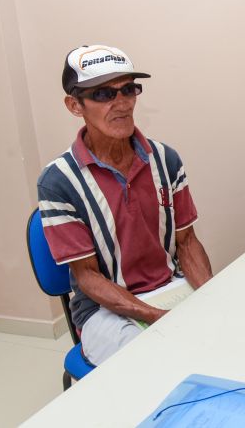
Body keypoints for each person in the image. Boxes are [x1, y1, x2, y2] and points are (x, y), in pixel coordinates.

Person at [37, 44, 213, 365]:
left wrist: (211, 298)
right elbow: (88, 276)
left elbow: (187, 242)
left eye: (128, 89)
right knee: (159, 361)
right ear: (74, 105)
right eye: (103, 94)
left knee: (225, 331)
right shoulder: (58, 181)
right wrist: (158, 317)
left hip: (169, 287)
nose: (121, 103)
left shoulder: (165, 159)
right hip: (103, 311)